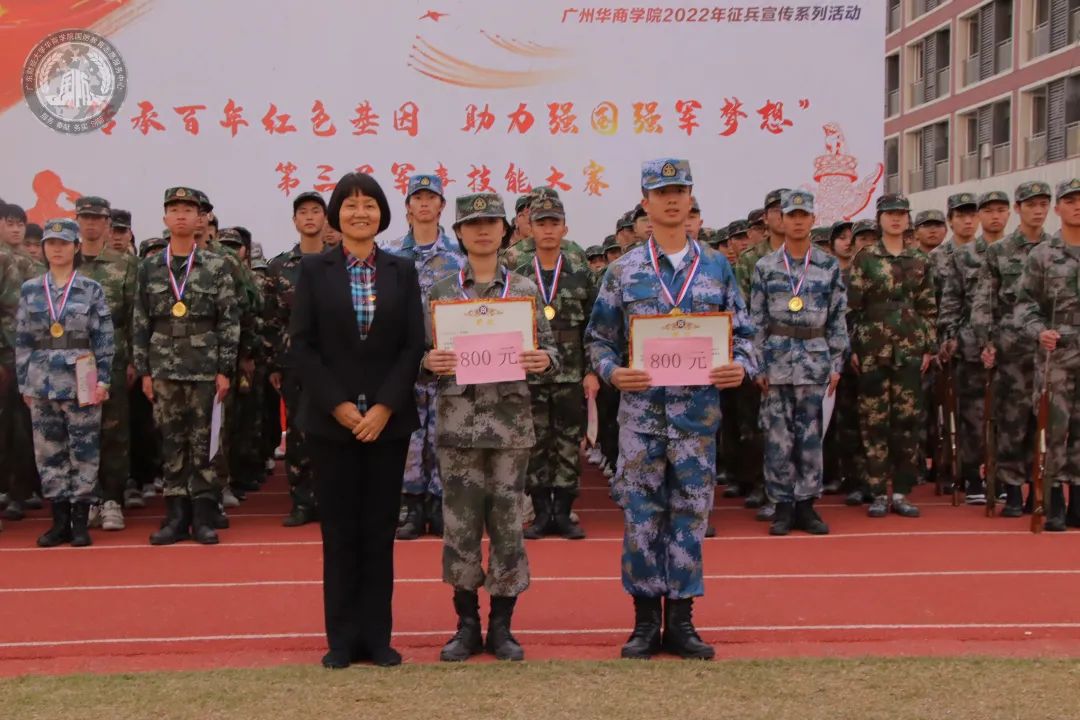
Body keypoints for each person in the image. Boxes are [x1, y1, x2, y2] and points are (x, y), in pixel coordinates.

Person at [586, 159, 753, 660]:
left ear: (691, 197)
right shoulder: (624, 270)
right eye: (662, 192)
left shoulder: (717, 267)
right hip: (641, 420)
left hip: (696, 420)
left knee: (690, 517)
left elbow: (745, 334)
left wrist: (741, 367)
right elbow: (598, 340)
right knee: (641, 518)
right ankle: (643, 623)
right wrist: (613, 373)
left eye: (680, 190)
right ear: (646, 202)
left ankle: (681, 621)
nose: (673, 199)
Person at [289, 172, 425, 669]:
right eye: (350, 205)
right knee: (340, 531)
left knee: (379, 531)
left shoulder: (401, 270)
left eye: (369, 205)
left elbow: (412, 344)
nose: (359, 213)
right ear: (337, 214)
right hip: (332, 423)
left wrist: (385, 406)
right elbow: (302, 345)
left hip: (388, 423)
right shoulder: (313, 269)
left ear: (382, 214)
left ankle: (377, 637)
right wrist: (339, 406)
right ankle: (342, 639)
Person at [423, 192, 558, 663]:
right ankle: (465, 625)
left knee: (507, 526)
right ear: (459, 232)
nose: (482, 231)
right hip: (459, 427)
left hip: (509, 427)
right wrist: (428, 361)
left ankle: (502, 626)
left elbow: (552, 352)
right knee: (459, 528)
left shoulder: (524, 290)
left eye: (491, 223)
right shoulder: (441, 292)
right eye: (472, 223)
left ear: (505, 230)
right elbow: (419, 356)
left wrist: (543, 360)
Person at [133, 187, 240, 545]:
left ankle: (204, 516)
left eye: (188, 210)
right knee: (171, 442)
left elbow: (229, 319)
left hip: (205, 367)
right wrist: (144, 371)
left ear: (200, 219)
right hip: (163, 366)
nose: (181, 215)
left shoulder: (216, 265)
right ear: (165, 217)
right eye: (174, 209)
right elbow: (140, 321)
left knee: (204, 442)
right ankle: (176, 517)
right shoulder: (149, 267)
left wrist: (225, 369)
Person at [750, 191, 847, 535]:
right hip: (776, 361)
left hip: (814, 360)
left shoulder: (827, 265)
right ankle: (782, 506)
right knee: (777, 438)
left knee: (810, 437)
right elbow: (756, 319)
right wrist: (757, 365)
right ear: (782, 219)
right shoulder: (765, 266)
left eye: (804, 215)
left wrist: (836, 362)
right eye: (792, 215)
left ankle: (807, 505)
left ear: (813, 220)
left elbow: (838, 317)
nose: (797, 221)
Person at [15, 219, 113, 547]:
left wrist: (104, 380)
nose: (56, 249)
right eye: (51, 243)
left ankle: (80, 521)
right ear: (44, 248)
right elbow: (23, 339)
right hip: (41, 380)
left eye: (63, 243)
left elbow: (103, 338)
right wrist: (24, 383)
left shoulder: (90, 288)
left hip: (81, 377)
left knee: (84, 450)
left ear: (76, 247)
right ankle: (59, 522)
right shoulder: (31, 289)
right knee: (49, 453)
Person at [382, 174, 466, 540]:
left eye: (431, 197)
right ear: (408, 207)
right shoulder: (389, 256)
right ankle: (411, 505)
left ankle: (439, 503)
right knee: (409, 435)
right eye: (418, 197)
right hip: (404, 363)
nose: (425, 203)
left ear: (442, 205)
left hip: (448, 362)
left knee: (445, 432)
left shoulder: (458, 257)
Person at [848, 195, 936, 518]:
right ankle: (876, 491)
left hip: (909, 349)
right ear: (880, 219)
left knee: (907, 421)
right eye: (889, 214)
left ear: (908, 219)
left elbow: (928, 307)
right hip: (873, 349)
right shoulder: (865, 258)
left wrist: (928, 346)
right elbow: (851, 308)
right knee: (873, 421)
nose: (896, 219)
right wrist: (853, 348)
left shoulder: (920, 259)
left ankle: (900, 491)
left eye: (901, 214)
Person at [516, 195, 597, 540]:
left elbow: (594, 327)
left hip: (571, 374)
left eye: (554, 223)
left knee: (567, 443)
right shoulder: (517, 276)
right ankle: (540, 513)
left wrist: (591, 372)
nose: (548, 230)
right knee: (534, 443)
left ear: (565, 228)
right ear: (530, 229)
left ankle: (562, 513)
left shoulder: (581, 274)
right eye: (541, 224)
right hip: (529, 374)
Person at [972, 181, 1053, 516]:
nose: (1038, 210)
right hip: (1011, 349)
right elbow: (984, 302)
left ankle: (1041, 487)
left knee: (1044, 421)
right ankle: (1012, 489)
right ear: (1018, 209)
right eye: (1031, 205)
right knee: (1012, 421)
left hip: (1049, 350)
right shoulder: (999, 251)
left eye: (1043, 204)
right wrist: (986, 342)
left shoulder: (1055, 249)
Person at [1015, 178, 1080, 530]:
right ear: (1058, 208)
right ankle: (1052, 499)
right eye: (1070, 200)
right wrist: (1039, 330)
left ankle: (1078, 501)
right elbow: (1024, 305)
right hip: (1057, 353)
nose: (1077, 206)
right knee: (1053, 428)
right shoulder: (1042, 254)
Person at [74, 195, 138, 532]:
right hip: (72, 358)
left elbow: (134, 315)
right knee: (80, 429)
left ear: (107, 224)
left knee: (113, 429)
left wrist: (132, 360)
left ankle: (112, 497)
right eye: (85, 217)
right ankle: (88, 497)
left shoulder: (123, 264)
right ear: (77, 221)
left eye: (97, 218)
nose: (91, 224)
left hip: (112, 356)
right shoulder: (64, 261)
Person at [266, 191, 327, 527]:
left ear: (325, 219)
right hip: (295, 363)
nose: (309, 217)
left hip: (334, 362)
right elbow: (272, 320)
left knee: (333, 430)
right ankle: (302, 500)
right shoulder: (280, 267)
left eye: (315, 211)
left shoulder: (341, 261)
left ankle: (331, 499)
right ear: (294, 221)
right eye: (303, 212)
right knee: (298, 431)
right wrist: (275, 364)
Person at [730, 189, 787, 518]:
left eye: (788, 210)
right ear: (766, 217)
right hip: (762, 354)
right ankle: (762, 485)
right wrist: (752, 359)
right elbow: (742, 314)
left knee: (796, 428)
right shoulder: (751, 260)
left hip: (800, 355)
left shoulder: (809, 257)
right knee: (758, 425)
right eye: (776, 210)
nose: (783, 216)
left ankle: (796, 493)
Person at [934, 193, 985, 503]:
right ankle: (954, 469)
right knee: (956, 413)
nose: (968, 221)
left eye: (971, 215)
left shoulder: (989, 252)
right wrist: (942, 340)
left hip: (987, 344)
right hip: (954, 345)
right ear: (950, 220)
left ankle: (988, 471)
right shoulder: (938, 258)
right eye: (961, 215)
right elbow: (937, 303)